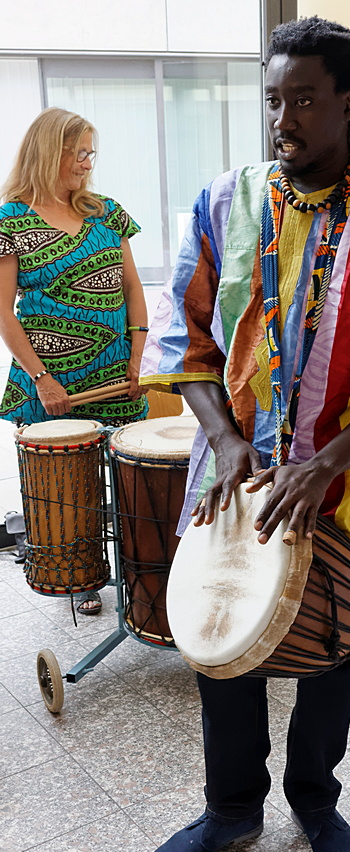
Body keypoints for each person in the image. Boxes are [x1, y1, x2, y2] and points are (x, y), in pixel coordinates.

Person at [139, 17, 350, 852]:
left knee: (337, 639)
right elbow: (184, 337)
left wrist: (323, 465)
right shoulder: (222, 202)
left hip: (343, 485)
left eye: (304, 100)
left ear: (349, 104)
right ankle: (230, 809)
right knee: (221, 636)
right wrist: (224, 437)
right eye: (274, 99)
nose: (283, 119)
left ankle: (316, 799)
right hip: (231, 479)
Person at [0, 107, 148, 613]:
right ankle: (84, 576)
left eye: (91, 153)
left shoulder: (106, 212)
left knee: (132, 486)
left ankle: (141, 573)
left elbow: (133, 289)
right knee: (72, 490)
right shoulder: (10, 219)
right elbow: (3, 312)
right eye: (78, 153)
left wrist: (137, 357)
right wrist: (42, 379)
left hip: (115, 373)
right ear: (48, 152)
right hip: (50, 383)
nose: (87, 163)